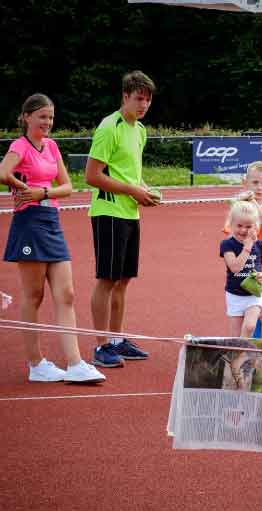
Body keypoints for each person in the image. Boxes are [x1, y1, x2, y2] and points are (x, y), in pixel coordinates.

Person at [1, 94, 105, 383]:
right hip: (29, 223)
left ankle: (75, 363)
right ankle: (36, 364)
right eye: (42, 116)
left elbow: (68, 186)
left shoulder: (53, 146)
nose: (47, 122)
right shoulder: (19, 146)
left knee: (67, 294)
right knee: (34, 296)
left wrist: (43, 192)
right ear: (26, 117)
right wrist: (26, 188)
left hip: (51, 221)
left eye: (50, 117)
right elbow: (2, 173)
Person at [85, 70, 160, 368]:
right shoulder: (109, 126)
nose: (143, 105)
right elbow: (92, 176)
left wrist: (143, 190)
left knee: (124, 280)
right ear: (125, 96)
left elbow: (130, 172)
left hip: (130, 211)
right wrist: (131, 189)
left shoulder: (139, 130)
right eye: (138, 99)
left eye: (148, 100)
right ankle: (100, 345)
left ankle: (116, 339)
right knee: (107, 279)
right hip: (108, 212)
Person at [223, 161, 262, 336]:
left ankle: (261, 346)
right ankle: (244, 348)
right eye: (255, 183)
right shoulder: (239, 207)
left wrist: (253, 202)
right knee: (241, 318)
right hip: (243, 265)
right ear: (245, 183)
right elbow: (228, 231)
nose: (259, 187)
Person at [220, 200, 262, 338]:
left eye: (248, 226)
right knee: (235, 335)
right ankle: (239, 355)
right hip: (234, 295)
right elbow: (235, 267)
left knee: (250, 326)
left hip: (253, 294)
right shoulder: (227, 245)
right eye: (239, 226)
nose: (243, 230)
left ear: (256, 227)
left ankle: (243, 350)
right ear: (231, 225)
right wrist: (247, 247)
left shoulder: (261, 245)